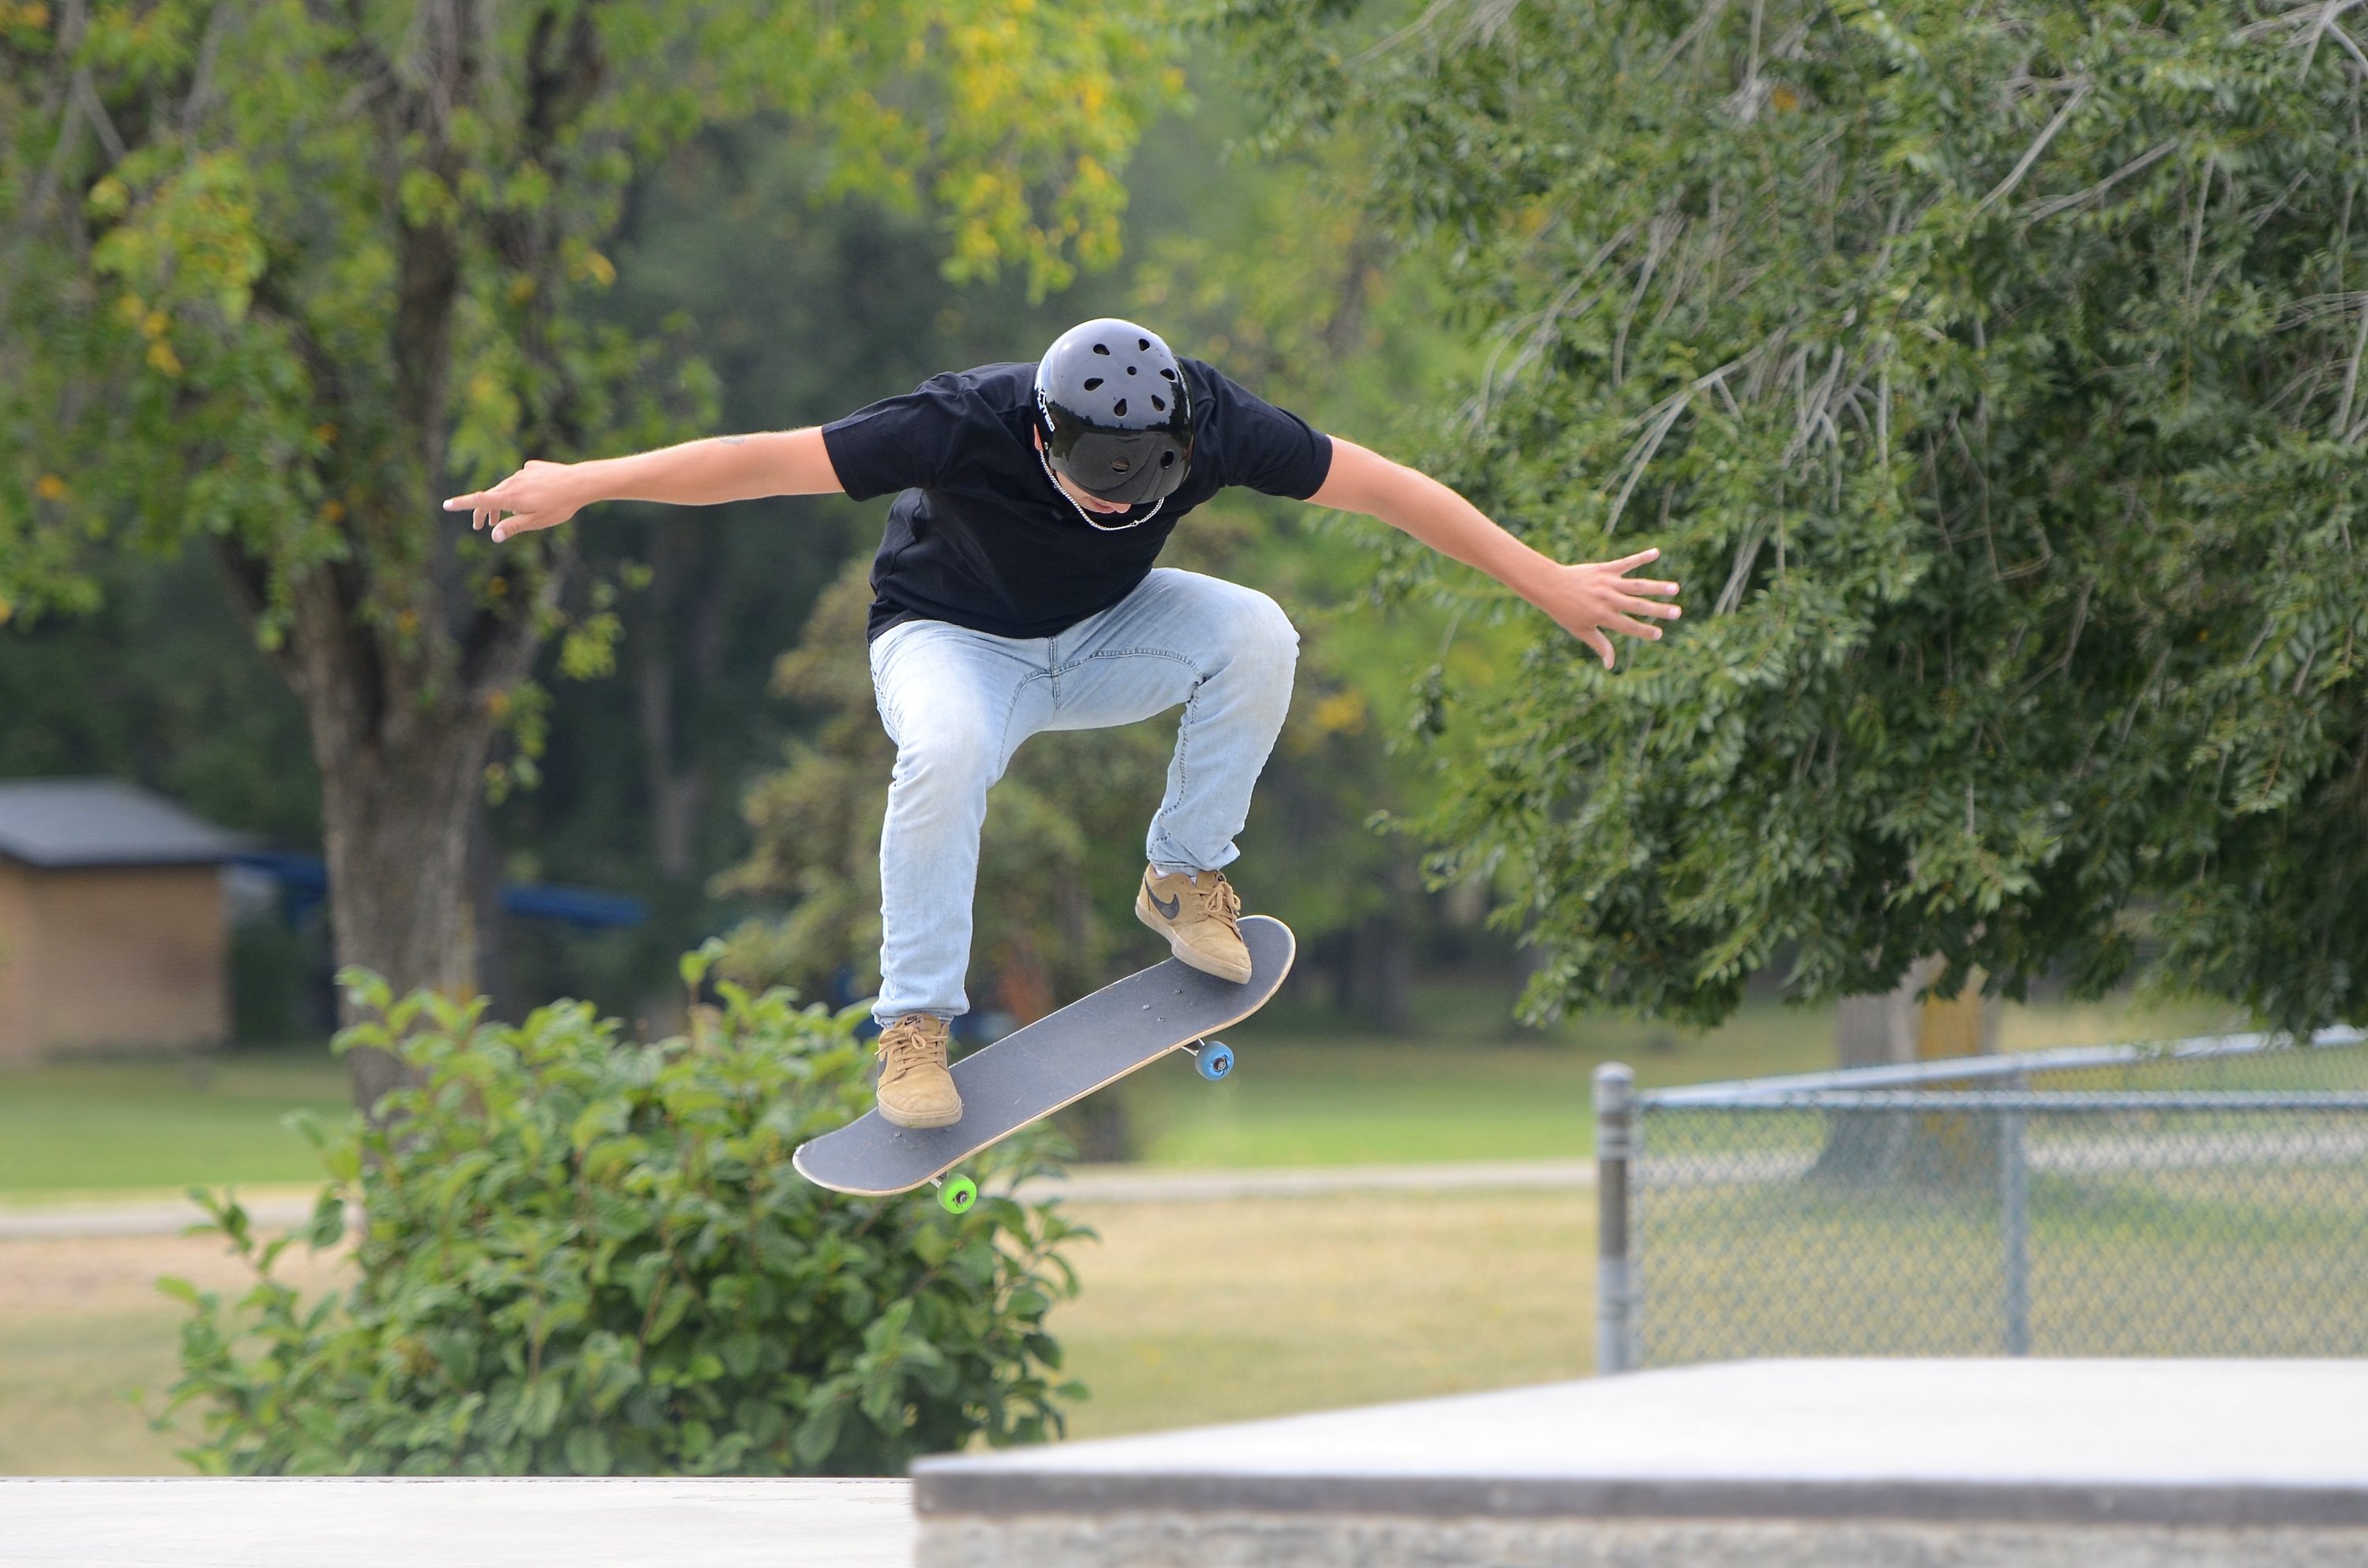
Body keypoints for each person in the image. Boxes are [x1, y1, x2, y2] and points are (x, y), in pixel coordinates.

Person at [447, 318, 1683, 1128]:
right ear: (1044, 438)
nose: (1114, 503)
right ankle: (915, 1030)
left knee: (1258, 631)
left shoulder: (1212, 421)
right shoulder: (960, 420)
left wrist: (1545, 577)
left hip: (1102, 641)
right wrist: (587, 483)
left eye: (1135, 489)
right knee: (945, 753)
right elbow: (762, 458)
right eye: (1091, 486)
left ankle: (1187, 875)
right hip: (950, 644)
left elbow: (1388, 489)